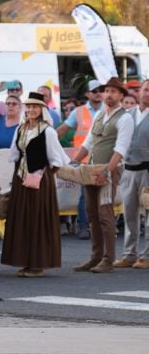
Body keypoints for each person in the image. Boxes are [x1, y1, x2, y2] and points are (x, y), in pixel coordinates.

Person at [0, 92, 69, 277]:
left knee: (38, 219)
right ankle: (25, 261)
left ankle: (37, 264)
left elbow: (56, 159)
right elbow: (14, 154)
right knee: (22, 219)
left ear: (42, 110)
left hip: (40, 181)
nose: (31, 110)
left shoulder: (48, 131)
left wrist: (43, 176)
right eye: (29, 106)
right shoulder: (21, 129)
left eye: (35, 107)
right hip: (21, 179)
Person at [71, 78, 135, 273]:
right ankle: (96, 257)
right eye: (107, 91)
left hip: (109, 170)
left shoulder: (125, 118)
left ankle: (108, 259)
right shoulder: (99, 114)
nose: (108, 94)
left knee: (105, 214)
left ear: (121, 95)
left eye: (113, 91)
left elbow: (121, 149)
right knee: (91, 212)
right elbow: (88, 142)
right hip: (91, 169)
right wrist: (74, 162)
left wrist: (106, 171)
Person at [58, 80, 104, 240]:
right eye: (95, 91)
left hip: (104, 159)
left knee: (105, 194)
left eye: (101, 90)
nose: (98, 93)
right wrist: (47, 142)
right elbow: (63, 130)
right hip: (84, 160)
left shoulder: (109, 110)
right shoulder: (78, 112)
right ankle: (84, 226)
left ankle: (101, 225)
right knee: (86, 195)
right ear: (87, 94)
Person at [115, 79, 149, 269]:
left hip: (147, 170)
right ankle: (129, 254)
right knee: (129, 213)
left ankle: (147, 255)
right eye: (145, 89)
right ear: (139, 92)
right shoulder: (128, 115)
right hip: (128, 169)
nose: (147, 93)